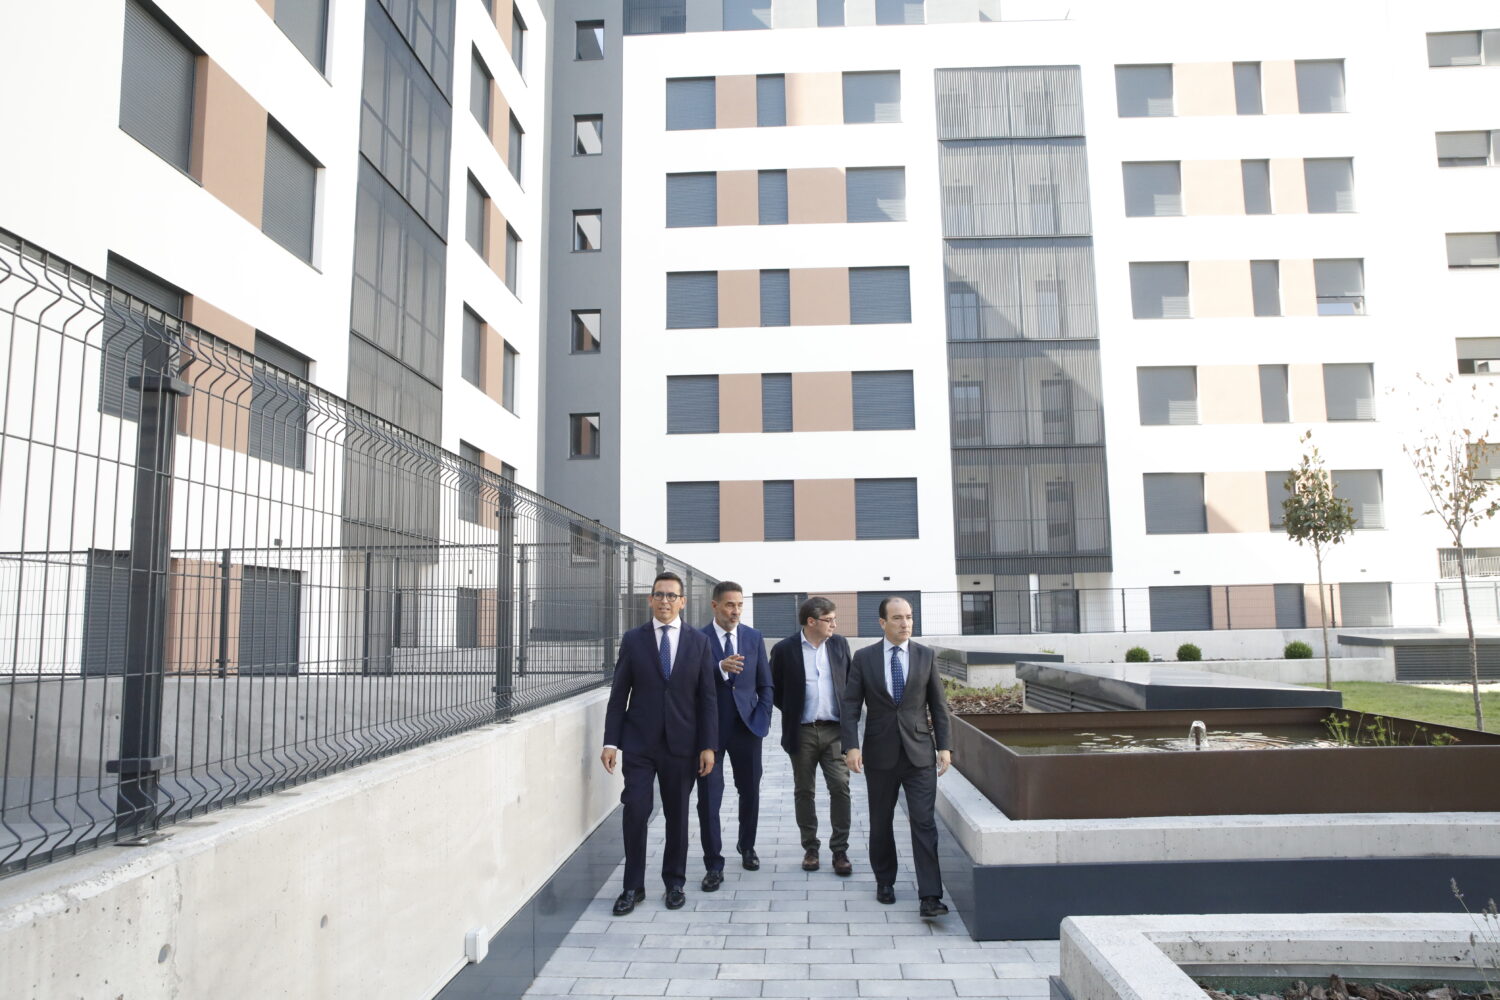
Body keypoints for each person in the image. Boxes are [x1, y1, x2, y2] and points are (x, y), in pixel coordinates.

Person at [600, 572, 717, 916]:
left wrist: (708, 745)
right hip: (640, 742)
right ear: (650, 600)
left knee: (677, 816)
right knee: (635, 809)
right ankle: (632, 886)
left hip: (683, 744)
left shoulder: (699, 642)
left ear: (682, 602)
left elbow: (707, 699)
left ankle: (674, 883)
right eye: (659, 595)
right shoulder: (633, 639)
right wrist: (610, 742)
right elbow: (619, 694)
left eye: (671, 596)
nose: (665, 601)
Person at [842, 596, 953, 918]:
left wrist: (944, 746)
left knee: (924, 822)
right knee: (881, 822)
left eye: (909, 617)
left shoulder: (925, 656)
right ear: (882, 622)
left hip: (919, 753)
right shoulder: (864, 658)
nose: (905, 623)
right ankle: (885, 881)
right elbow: (850, 706)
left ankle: (930, 896)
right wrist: (851, 746)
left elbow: (939, 706)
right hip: (880, 754)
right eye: (897, 618)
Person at [695, 581, 774, 890]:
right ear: (715, 606)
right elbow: (690, 683)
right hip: (710, 732)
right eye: (730, 605)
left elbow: (765, 683)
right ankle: (713, 864)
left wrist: (762, 716)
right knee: (709, 798)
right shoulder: (697, 639)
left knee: (750, 790)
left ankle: (747, 845)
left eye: (740, 605)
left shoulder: (753, 637)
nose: (736, 611)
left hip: (747, 727)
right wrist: (719, 668)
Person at [769, 596, 854, 876]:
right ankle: (811, 848)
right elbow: (775, 689)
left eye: (834, 619)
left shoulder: (840, 645)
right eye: (828, 620)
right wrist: (793, 710)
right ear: (811, 621)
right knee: (804, 790)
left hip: (835, 731)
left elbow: (850, 684)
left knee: (840, 786)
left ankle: (839, 849)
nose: (834, 624)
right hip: (802, 731)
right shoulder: (784, 649)